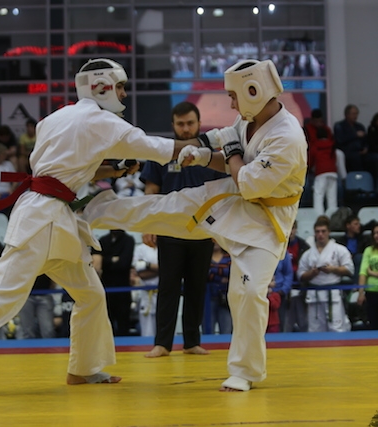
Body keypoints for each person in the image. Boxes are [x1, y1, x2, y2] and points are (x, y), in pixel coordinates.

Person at [0, 57, 199, 397]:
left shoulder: (53, 119)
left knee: (90, 295)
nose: (124, 94)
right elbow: (157, 148)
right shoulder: (101, 121)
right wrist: (208, 145)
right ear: (101, 87)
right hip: (41, 218)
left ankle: (85, 368)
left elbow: (65, 170)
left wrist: (112, 171)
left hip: (55, 216)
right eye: (120, 87)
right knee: (2, 298)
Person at [84, 58, 307, 391]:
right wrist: (203, 155)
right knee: (166, 207)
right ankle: (93, 210)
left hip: (266, 221)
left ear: (254, 91)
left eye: (233, 95)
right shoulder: (249, 120)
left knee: (247, 293)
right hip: (232, 197)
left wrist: (228, 151)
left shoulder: (287, 137)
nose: (231, 103)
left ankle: (245, 371)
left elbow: (248, 181)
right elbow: (228, 154)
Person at [139, 101, 227, 358]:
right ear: (173, 125)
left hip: (203, 230)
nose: (186, 129)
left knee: (196, 287)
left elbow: (222, 193)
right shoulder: (162, 152)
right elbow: (151, 190)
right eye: (181, 124)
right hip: (170, 229)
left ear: (199, 124)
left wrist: (221, 228)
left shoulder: (211, 154)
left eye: (190, 123)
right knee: (168, 286)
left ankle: (191, 341)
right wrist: (148, 225)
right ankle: (162, 343)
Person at [298, 216, 353, 332]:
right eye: (317, 232)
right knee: (315, 330)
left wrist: (333, 269)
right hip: (314, 295)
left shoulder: (339, 249)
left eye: (323, 231)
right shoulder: (308, 253)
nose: (320, 234)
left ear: (329, 232)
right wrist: (312, 273)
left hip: (333, 294)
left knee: (336, 328)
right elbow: (300, 275)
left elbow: (350, 270)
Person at [92, 230, 135, 336]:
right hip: (106, 289)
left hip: (123, 290)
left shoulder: (128, 240)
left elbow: (124, 263)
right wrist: (113, 259)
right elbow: (97, 263)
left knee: (123, 324)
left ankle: (125, 345)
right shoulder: (103, 240)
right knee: (106, 324)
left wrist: (107, 260)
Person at [305, 109, 338, 215]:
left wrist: (308, 168)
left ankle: (319, 218)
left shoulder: (315, 147)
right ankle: (333, 218)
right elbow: (334, 158)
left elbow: (310, 160)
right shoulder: (332, 146)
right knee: (332, 198)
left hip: (320, 172)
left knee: (319, 195)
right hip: (333, 172)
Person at [284, 221, 310, 332]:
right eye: (288, 228)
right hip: (283, 289)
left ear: (296, 229)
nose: (290, 232)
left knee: (303, 323)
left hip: (301, 287)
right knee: (286, 324)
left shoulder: (303, 246)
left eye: (292, 228)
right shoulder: (277, 245)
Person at [131, 242, 159, 337]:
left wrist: (147, 265)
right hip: (146, 294)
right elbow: (141, 274)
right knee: (147, 332)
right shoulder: (141, 249)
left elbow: (172, 269)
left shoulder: (168, 247)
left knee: (166, 331)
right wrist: (162, 270)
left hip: (163, 294)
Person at [206, 240, 232, 334]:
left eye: (217, 239)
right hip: (208, 298)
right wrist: (221, 277)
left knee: (226, 330)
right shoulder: (205, 257)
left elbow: (232, 273)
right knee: (208, 330)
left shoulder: (229, 257)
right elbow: (204, 273)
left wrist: (213, 271)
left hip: (225, 298)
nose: (215, 242)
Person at [18, 274, 56, 339]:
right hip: (26, 295)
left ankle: (50, 346)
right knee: (27, 330)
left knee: (48, 330)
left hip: (45, 293)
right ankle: (28, 345)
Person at [333, 104, 366, 172]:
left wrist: (366, 148)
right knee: (355, 157)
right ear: (347, 115)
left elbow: (366, 139)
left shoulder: (360, 126)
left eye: (356, 114)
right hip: (347, 151)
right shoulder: (339, 126)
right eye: (353, 114)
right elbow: (340, 139)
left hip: (360, 152)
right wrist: (355, 135)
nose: (355, 116)